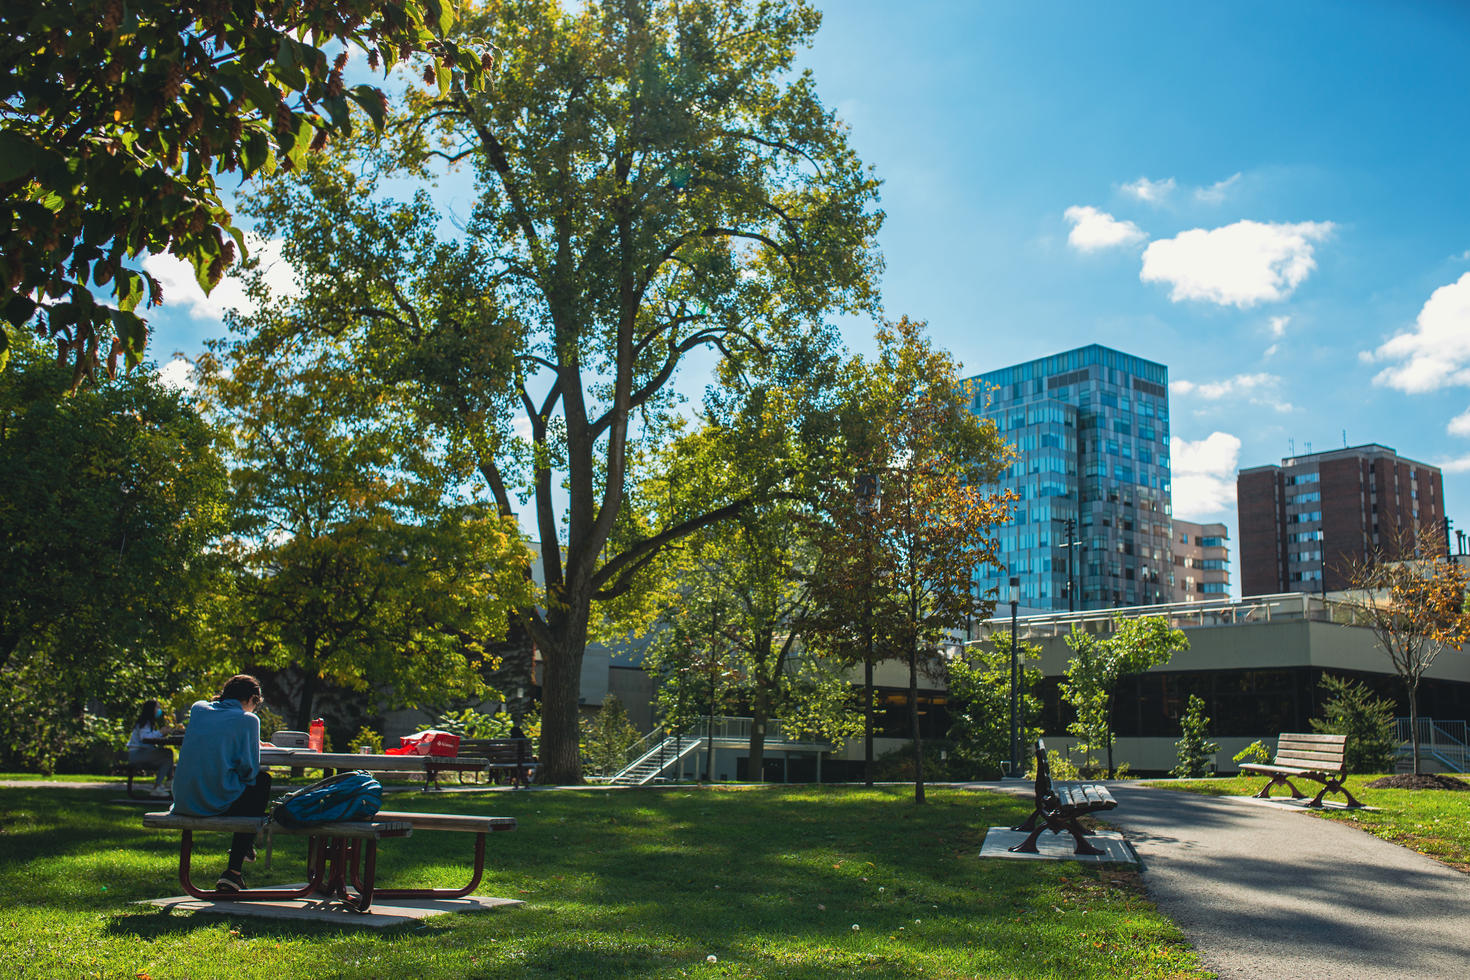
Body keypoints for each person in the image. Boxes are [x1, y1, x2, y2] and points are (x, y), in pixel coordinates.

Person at [171, 674, 273, 893]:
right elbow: (248, 771)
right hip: (211, 803)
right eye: (256, 705)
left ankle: (245, 849)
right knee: (262, 781)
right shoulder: (249, 720)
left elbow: (218, 734)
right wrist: (249, 743)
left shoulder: (198, 709)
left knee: (252, 790)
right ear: (252, 699)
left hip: (183, 800)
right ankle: (234, 871)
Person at [125, 699, 175, 798]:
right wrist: (160, 732)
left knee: (167, 757)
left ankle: (167, 782)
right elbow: (145, 737)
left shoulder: (148, 723)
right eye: (157, 707)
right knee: (168, 754)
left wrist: (161, 734)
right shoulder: (144, 723)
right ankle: (160, 785)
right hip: (138, 754)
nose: (159, 710)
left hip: (142, 753)